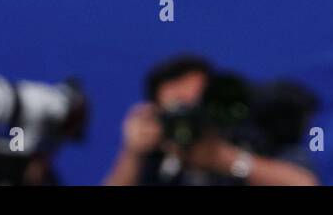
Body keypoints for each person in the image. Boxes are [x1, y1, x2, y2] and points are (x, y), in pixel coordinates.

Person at [102, 55, 318, 186]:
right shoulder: (155, 160)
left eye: (199, 103)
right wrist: (132, 154)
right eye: (178, 107)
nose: (192, 116)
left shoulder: (254, 138)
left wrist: (224, 160)